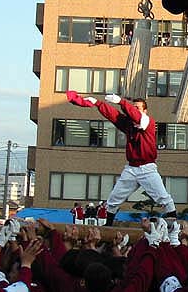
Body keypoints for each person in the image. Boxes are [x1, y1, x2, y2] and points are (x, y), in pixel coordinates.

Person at [67, 91, 176, 226]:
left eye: (138, 108)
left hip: (147, 168)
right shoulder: (129, 124)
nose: (134, 110)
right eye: (133, 107)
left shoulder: (148, 122)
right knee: (114, 199)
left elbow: (135, 116)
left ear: (145, 111)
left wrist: (121, 102)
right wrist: (97, 103)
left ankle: (174, 225)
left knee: (163, 198)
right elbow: (114, 115)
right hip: (131, 168)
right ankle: (108, 225)